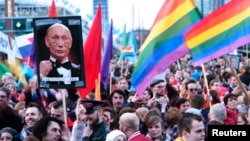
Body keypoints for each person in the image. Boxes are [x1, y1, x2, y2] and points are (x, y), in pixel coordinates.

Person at [39, 23, 81, 88]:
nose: (60, 44)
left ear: (70, 43)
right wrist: (41, 76)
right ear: (47, 41)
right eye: (55, 38)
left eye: (64, 38)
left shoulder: (79, 71)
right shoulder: (40, 70)